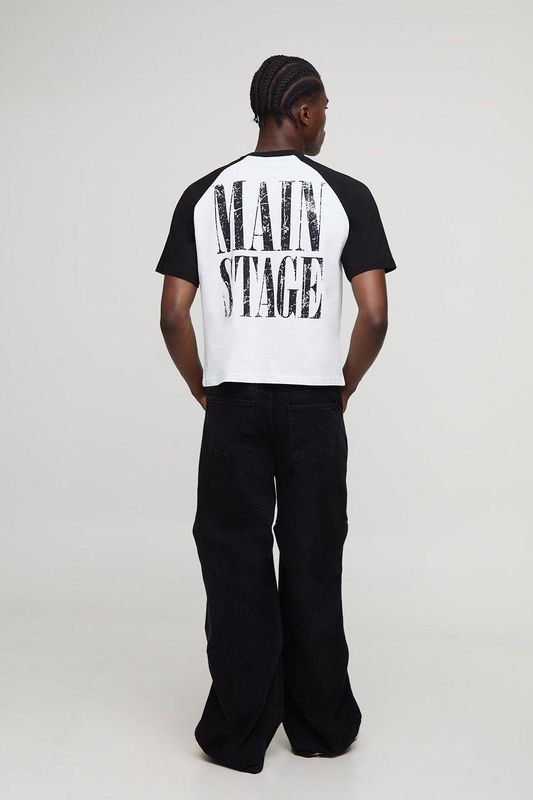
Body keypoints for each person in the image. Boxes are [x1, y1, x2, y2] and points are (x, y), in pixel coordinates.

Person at [155, 54, 397, 774]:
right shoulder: (346, 194)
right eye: (323, 109)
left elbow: (172, 313)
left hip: (233, 402)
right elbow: (374, 314)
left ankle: (239, 731)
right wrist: (343, 383)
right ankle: (320, 725)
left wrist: (202, 386)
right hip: (313, 404)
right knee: (314, 557)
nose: (325, 122)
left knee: (233, 561)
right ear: (300, 110)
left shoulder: (203, 194)